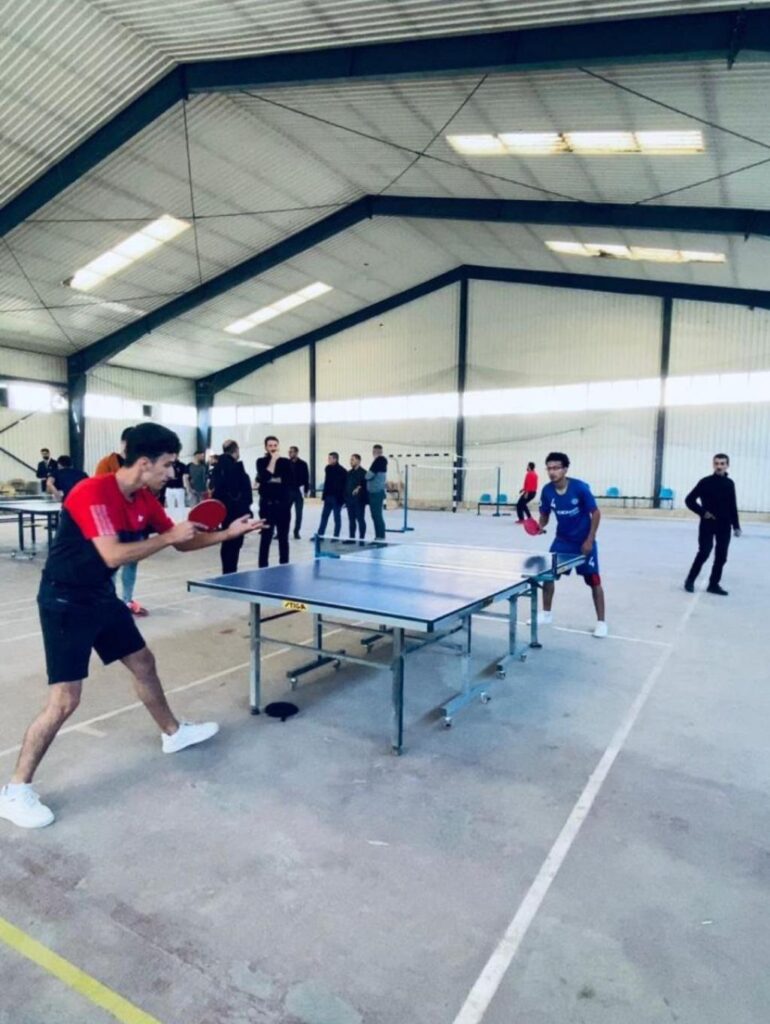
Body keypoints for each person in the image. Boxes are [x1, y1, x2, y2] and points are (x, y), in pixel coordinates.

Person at [0, 422, 262, 829]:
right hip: (65, 601)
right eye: (168, 465)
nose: (172, 473)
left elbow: (181, 541)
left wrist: (228, 533)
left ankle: (172, 732)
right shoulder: (91, 492)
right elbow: (113, 555)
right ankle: (15, 790)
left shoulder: (144, 499)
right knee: (65, 700)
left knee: (143, 663)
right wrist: (168, 537)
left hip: (101, 597)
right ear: (144, 463)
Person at [536, 452, 607, 638]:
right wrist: (540, 525)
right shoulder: (547, 491)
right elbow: (544, 514)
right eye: (549, 468)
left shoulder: (580, 488)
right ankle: (546, 614)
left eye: (556, 468)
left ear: (565, 469)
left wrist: (590, 540)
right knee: (548, 574)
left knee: (593, 581)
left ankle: (601, 623)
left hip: (584, 541)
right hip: (562, 541)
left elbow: (596, 513)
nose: (552, 472)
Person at [96, 428, 146, 617]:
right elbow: (99, 492)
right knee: (111, 564)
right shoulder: (106, 464)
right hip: (111, 524)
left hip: (134, 524)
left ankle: (127, 600)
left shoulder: (141, 465)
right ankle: (109, 601)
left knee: (132, 563)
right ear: (123, 444)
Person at [684, 453, 741, 596]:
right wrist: (703, 513)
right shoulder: (705, 482)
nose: (719, 466)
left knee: (721, 556)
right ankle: (690, 580)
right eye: (716, 463)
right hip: (707, 524)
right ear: (713, 465)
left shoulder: (729, 484)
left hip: (724, 525)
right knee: (704, 552)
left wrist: (736, 525)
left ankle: (713, 585)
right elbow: (689, 500)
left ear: (727, 465)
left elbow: (732, 506)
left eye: (722, 463)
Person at [209, 439, 254, 574]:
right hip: (236, 511)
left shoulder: (217, 468)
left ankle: (227, 571)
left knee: (227, 541)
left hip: (223, 511)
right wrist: (246, 509)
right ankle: (230, 572)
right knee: (234, 543)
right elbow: (243, 491)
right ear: (236, 450)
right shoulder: (236, 468)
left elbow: (213, 489)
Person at [255, 435, 292, 568]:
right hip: (267, 505)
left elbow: (287, 481)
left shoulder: (286, 462)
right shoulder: (261, 462)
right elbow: (263, 477)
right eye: (270, 446)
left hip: (283, 505)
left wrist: (270, 479)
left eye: (275, 445)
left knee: (283, 538)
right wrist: (273, 461)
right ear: (266, 447)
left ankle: (284, 566)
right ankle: (262, 566)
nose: (273, 448)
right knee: (266, 537)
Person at [317, 452, 347, 538]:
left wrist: (343, 500)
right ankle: (320, 535)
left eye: (330, 458)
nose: (328, 460)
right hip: (328, 497)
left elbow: (344, 486)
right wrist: (324, 496)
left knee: (336, 517)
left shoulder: (342, 471)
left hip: (337, 498)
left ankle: (336, 536)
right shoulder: (328, 468)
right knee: (324, 516)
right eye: (328, 458)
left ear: (335, 459)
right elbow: (327, 482)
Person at [287, 445, 310, 539]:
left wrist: (306, 491)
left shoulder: (303, 464)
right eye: (289, 452)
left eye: (291, 452)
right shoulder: (286, 463)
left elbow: (306, 478)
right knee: (285, 513)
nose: (289, 453)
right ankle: (282, 531)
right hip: (288, 491)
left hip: (298, 492)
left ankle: (296, 532)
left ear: (296, 453)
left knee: (299, 513)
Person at [366, 444, 388, 540]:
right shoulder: (380, 461)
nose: (374, 453)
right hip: (376, 492)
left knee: (377, 515)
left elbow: (368, 476)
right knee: (376, 515)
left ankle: (380, 537)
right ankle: (378, 536)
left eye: (375, 451)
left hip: (376, 493)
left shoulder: (379, 461)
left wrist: (366, 476)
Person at [345, 453, 367, 539]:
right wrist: (345, 499)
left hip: (359, 501)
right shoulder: (349, 473)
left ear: (358, 461)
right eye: (350, 460)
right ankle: (352, 538)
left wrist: (359, 487)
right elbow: (346, 486)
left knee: (360, 519)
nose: (350, 461)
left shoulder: (364, 473)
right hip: (350, 500)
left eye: (352, 460)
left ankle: (361, 539)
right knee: (351, 520)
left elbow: (365, 486)